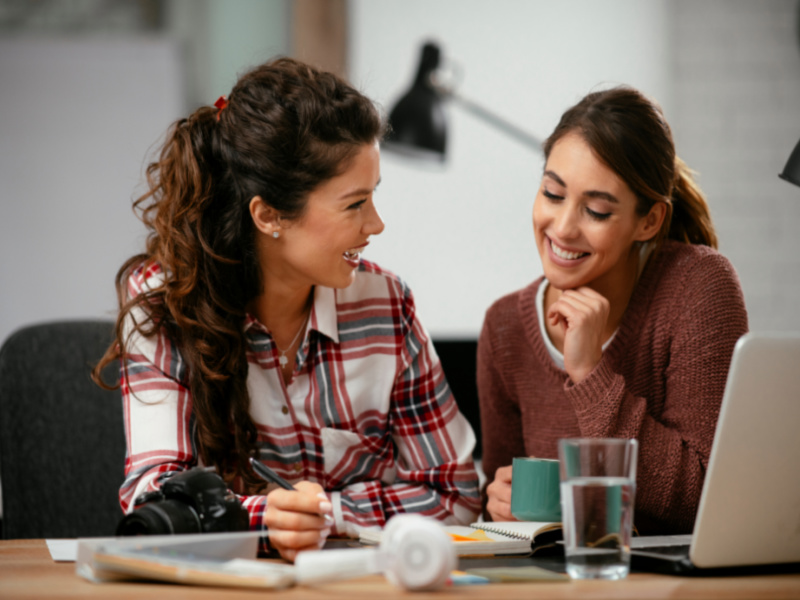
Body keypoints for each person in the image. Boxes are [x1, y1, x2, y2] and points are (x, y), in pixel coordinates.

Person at [94, 57, 481, 561]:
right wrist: (267, 519)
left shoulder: (387, 305)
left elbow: (455, 495)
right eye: (354, 204)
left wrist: (323, 516)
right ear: (269, 215)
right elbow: (152, 497)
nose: (377, 224)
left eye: (373, 197)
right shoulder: (166, 307)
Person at [478, 86, 748, 535]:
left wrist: (589, 374)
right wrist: (498, 505)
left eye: (597, 211)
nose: (563, 228)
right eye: (552, 193)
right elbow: (500, 503)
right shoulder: (504, 326)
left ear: (649, 221)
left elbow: (705, 496)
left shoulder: (698, 287)